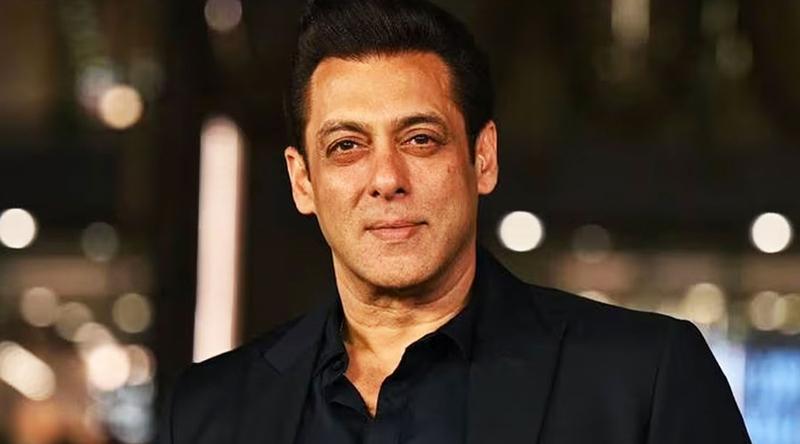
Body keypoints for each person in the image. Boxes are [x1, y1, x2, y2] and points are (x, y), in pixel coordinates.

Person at [159, 0, 751, 442]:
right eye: (346, 146)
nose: (386, 178)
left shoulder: (641, 381)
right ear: (302, 181)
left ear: (482, 158)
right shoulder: (211, 410)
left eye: (419, 139)